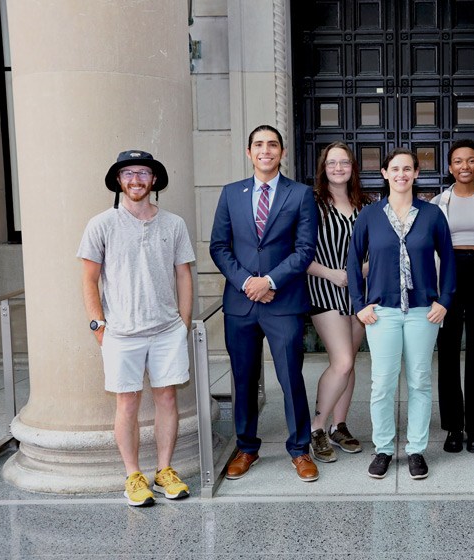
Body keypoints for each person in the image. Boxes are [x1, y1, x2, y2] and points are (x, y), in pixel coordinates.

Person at [78, 150, 194, 507]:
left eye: (143, 173)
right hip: (121, 333)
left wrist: (183, 325)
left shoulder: (173, 224)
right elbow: (89, 278)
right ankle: (133, 475)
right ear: (118, 180)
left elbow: (184, 275)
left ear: (154, 180)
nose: (136, 180)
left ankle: (164, 471)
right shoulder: (102, 224)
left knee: (167, 398)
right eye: (128, 173)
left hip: (166, 330)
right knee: (126, 403)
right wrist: (99, 326)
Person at [209, 125, 320, 482]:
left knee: (290, 377)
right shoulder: (230, 194)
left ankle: (300, 450)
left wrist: (269, 281)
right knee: (243, 379)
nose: (266, 150)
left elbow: (305, 250)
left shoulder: (301, 195)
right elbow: (219, 247)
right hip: (240, 304)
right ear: (249, 152)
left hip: (283, 301)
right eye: (259, 144)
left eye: (272, 144)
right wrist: (247, 283)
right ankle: (247, 448)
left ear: (282, 152)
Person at [347, 147, 456, 480]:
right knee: (382, 383)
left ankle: (416, 450)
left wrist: (444, 299)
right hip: (382, 311)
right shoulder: (369, 215)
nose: (401, 174)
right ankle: (383, 448)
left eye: (407, 169)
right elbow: (353, 260)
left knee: (420, 382)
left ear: (416, 174)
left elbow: (448, 259)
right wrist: (359, 303)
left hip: (423, 310)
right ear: (384, 173)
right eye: (395, 169)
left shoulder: (432, 214)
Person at [430, 139, 474, 454]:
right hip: (449, 276)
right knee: (449, 353)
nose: (464, 166)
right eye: (458, 161)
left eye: (471, 160)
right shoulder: (438, 203)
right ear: (450, 166)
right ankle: (454, 428)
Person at [306, 142, 367, 462]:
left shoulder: (364, 204)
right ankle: (316, 427)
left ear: (352, 167)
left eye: (344, 162)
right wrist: (333, 274)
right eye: (332, 162)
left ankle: (338, 425)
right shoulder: (312, 203)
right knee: (341, 361)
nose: (339, 167)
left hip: (358, 294)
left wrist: (360, 271)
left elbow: (375, 250)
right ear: (324, 167)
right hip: (324, 289)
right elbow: (298, 254)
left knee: (350, 363)